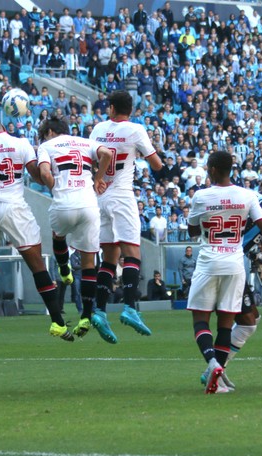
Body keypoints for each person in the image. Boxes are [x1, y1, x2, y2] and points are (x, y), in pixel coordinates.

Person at [187, 150, 262, 394]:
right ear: (230, 170)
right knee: (225, 324)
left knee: (201, 320)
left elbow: (191, 232)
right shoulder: (246, 195)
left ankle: (212, 363)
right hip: (234, 264)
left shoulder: (200, 196)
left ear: (211, 169)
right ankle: (217, 379)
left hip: (209, 261)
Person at [0, 115, 75, 342]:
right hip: (15, 208)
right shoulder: (21, 143)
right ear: (2, 125)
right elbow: (37, 177)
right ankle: (57, 322)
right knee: (37, 266)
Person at [88, 90, 163, 344]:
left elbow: (89, 160)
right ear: (130, 109)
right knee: (132, 253)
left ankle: (98, 310)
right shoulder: (135, 130)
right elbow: (157, 165)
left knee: (109, 258)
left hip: (100, 196)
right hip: (121, 195)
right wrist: (147, 152)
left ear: (111, 108)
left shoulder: (98, 129)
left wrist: (97, 179)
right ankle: (130, 307)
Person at [38, 116, 112, 339]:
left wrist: (56, 188)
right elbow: (107, 154)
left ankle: (63, 268)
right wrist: (97, 178)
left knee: (58, 236)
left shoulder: (46, 146)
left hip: (64, 203)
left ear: (50, 131)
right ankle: (87, 316)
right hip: (89, 204)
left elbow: (43, 173)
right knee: (89, 261)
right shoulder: (85, 142)